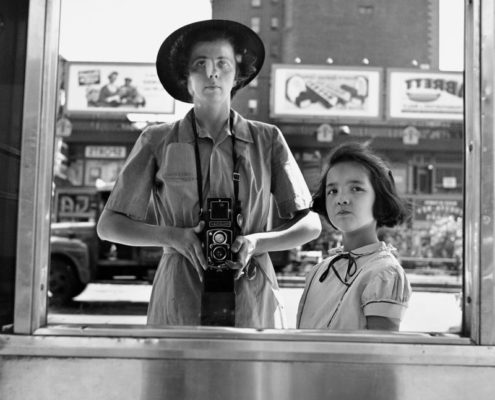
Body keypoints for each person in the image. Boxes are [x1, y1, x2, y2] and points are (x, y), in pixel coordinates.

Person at [96, 19, 321, 328]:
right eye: (200, 64)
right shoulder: (157, 139)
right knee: (176, 376)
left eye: (222, 63)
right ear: (186, 79)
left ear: (237, 76)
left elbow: (310, 224)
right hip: (179, 294)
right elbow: (109, 226)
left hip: (252, 292)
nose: (212, 72)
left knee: (250, 377)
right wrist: (172, 236)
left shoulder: (267, 139)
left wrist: (257, 243)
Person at [296, 142, 411, 331]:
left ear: (379, 199)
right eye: (332, 191)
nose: (341, 199)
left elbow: (379, 353)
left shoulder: (384, 273)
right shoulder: (319, 270)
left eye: (356, 188)